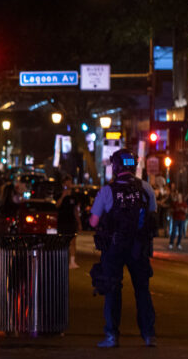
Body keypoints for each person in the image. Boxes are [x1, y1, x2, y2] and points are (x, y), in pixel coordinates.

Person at [89, 149, 157, 348]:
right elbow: (153, 216)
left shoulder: (107, 191)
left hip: (114, 247)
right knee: (142, 291)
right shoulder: (146, 188)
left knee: (112, 290)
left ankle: (112, 335)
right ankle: (148, 335)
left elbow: (93, 222)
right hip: (139, 248)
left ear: (116, 167)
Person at [56, 174, 81, 269]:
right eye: (66, 183)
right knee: (62, 242)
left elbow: (76, 210)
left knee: (73, 242)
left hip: (71, 222)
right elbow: (57, 206)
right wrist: (63, 196)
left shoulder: (74, 196)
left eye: (70, 183)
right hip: (62, 222)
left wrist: (79, 223)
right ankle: (62, 261)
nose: (69, 185)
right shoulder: (59, 194)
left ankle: (72, 262)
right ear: (63, 184)